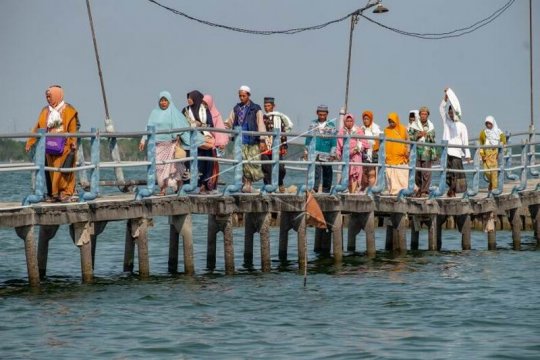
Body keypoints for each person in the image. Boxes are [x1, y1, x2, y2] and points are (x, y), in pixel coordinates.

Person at [25, 85, 80, 203]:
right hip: (50, 146)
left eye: (50, 96)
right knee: (51, 171)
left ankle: (66, 193)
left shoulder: (68, 109)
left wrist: (73, 142)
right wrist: (30, 141)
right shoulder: (46, 111)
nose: (48, 99)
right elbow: (38, 127)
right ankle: (54, 194)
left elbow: (73, 127)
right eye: (47, 97)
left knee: (64, 171)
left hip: (65, 146)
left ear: (57, 95)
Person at [139, 90, 190, 195]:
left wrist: (177, 137)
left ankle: (179, 187)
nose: (163, 103)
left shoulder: (173, 112)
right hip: (157, 144)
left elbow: (181, 125)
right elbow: (148, 126)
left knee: (173, 168)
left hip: (170, 144)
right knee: (159, 168)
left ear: (169, 101)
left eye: (165, 100)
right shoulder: (154, 113)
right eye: (161, 100)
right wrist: (143, 139)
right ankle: (163, 189)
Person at [224, 85, 266, 193]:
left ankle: (248, 184)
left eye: (243, 96)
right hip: (239, 141)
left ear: (248, 95)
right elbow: (229, 121)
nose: (241, 98)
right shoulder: (236, 108)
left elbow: (260, 124)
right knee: (240, 163)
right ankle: (243, 184)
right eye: (240, 96)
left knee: (252, 164)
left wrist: (262, 140)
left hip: (252, 140)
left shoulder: (256, 108)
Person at [183, 90, 217, 193]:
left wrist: (200, 125)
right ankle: (190, 186)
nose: (188, 100)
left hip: (204, 141)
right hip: (191, 142)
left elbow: (210, 124)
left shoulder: (205, 110)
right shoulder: (185, 110)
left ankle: (204, 184)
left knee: (205, 163)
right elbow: (182, 123)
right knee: (191, 164)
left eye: (191, 97)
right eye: (188, 97)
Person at [440, 88, 471, 197]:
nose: (450, 113)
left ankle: (453, 190)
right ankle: (450, 189)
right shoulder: (447, 122)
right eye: (449, 111)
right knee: (447, 172)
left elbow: (465, 141)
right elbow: (441, 109)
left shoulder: (462, 126)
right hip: (446, 151)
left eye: (452, 111)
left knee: (456, 173)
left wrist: (467, 155)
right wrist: (446, 98)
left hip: (457, 153)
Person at [261, 96, 293, 193]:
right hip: (265, 146)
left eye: (269, 106)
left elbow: (285, 130)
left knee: (281, 168)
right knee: (266, 168)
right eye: (265, 106)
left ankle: (280, 182)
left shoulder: (280, 117)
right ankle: (268, 187)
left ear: (273, 106)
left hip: (278, 146)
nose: (267, 108)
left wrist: (284, 145)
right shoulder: (262, 117)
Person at [305, 105, 337, 193]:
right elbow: (308, 138)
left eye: (324, 114)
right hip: (314, 152)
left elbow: (334, 140)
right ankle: (314, 189)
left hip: (326, 152)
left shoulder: (331, 125)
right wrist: (306, 150)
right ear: (317, 113)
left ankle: (326, 191)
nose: (322, 116)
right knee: (316, 172)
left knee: (327, 172)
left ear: (327, 114)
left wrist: (333, 153)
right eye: (320, 114)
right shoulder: (313, 124)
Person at [336, 113, 369, 193]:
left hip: (356, 155)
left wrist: (357, 148)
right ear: (344, 121)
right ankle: (350, 190)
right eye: (347, 121)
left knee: (355, 173)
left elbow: (365, 143)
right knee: (347, 174)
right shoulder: (341, 132)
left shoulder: (358, 130)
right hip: (346, 155)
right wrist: (338, 154)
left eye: (351, 121)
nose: (349, 123)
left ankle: (353, 192)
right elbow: (339, 145)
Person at [408, 106, 436, 197]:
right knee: (417, 172)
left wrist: (427, 135)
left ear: (428, 115)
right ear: (419, 115)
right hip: (416, 151)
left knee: (426, 172)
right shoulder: (414, 125)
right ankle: (419, 188)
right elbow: (409, 137)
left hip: (427, 152)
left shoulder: (430, 126)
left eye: (425, 114)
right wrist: (418, 135)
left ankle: (425, 190)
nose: (423, 116)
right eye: (422, 114)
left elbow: (433, 137)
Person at [384, 112, 409, 195]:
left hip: (400, 158)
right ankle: (393, 191)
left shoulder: (403, 129)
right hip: (390, 157)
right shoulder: (386, 130)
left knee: (401, 176)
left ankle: (404, 191)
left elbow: (407, 141)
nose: (391, 123)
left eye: (392, 121)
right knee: (391, 175)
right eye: (389, 121)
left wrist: (407, 151)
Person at [479, 115, 506, 192]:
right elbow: (481, 144)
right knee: (487, 171)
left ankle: (494, 188)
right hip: (486, 154)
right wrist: (482, 154)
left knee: (494, 172)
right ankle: (491, 182)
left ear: (493, 123)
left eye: (490, 123)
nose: (488, 125)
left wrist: (500, 154)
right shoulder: (483, 133)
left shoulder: (499, 132)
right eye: (487, 123)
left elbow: (503, 142)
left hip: (495, 154)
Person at [360, 110, 382, 192]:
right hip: (364, 153)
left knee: (371, 172)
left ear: (371, 119)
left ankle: (371, 189)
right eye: (364, 119)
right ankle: (363, 187)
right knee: (363, 172)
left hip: (373, 153)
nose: (365, 121)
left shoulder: (376, 129)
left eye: (367, 119)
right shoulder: (361, 129)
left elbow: (378, 141)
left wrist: (371, 145)